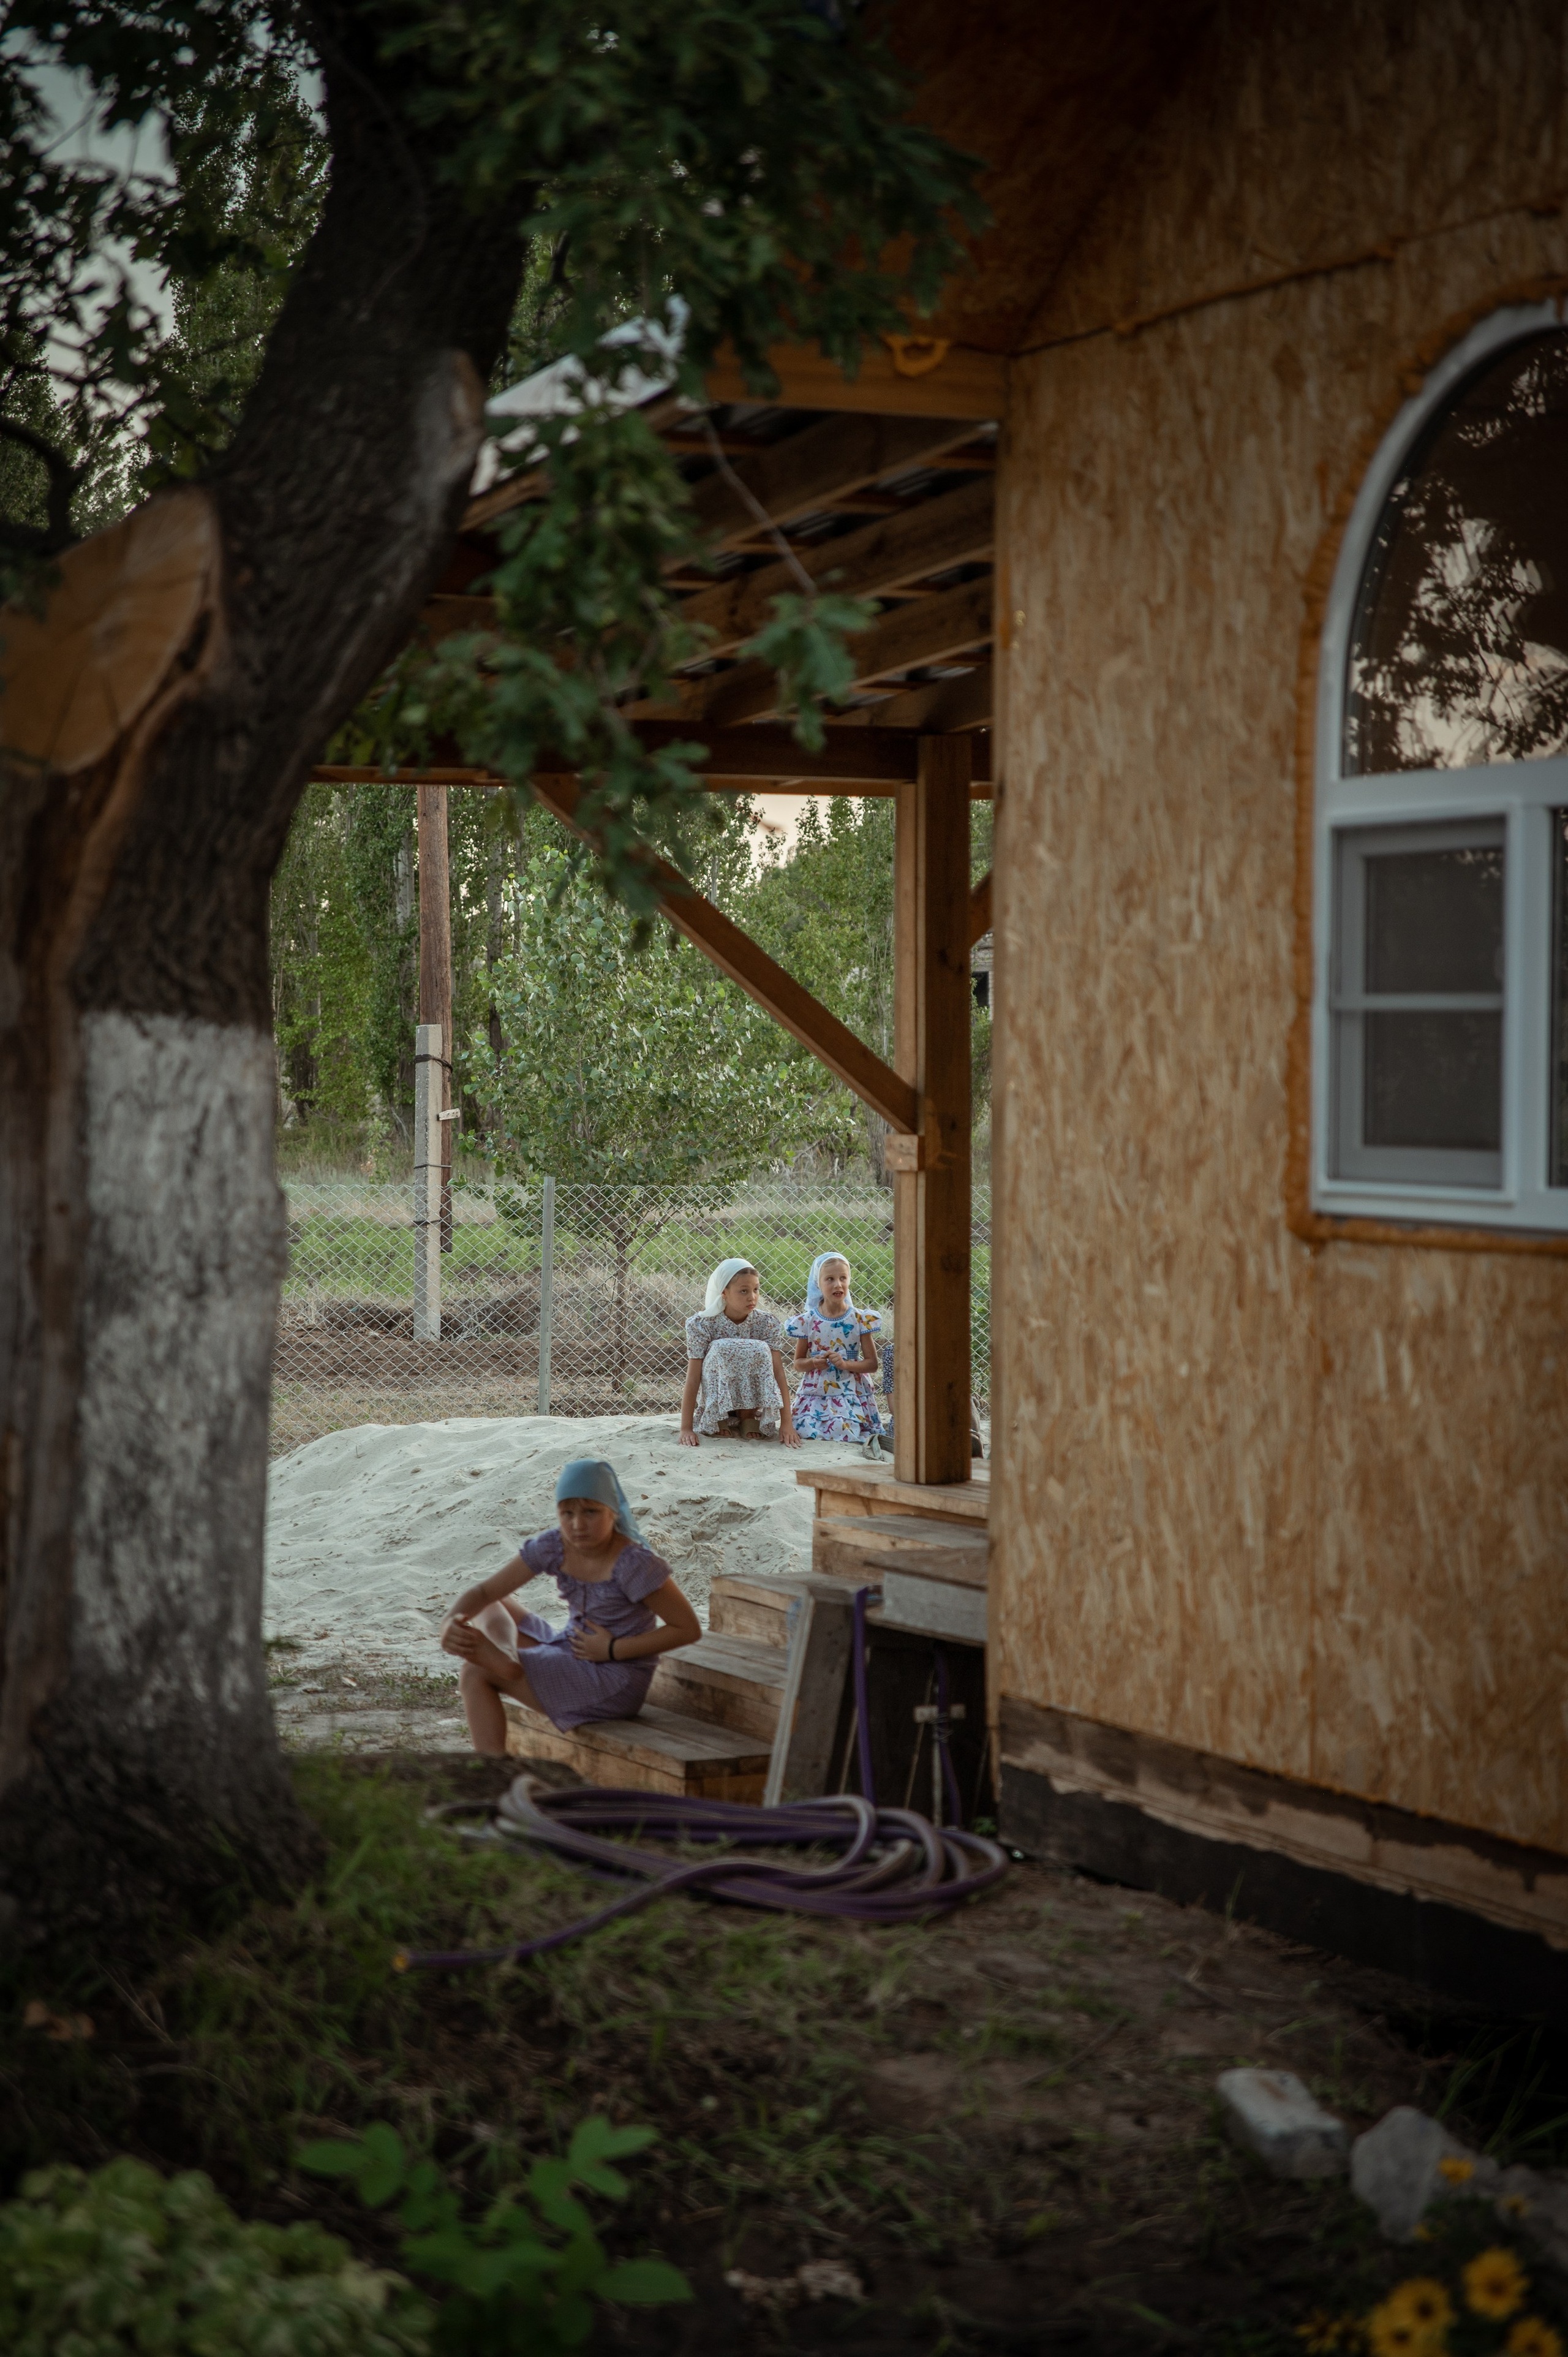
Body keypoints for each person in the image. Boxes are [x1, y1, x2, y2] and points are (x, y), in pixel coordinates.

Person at [440, 1458, 699, 1754]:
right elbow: (485, 1590)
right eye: (567, 1513)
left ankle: (495, 1778)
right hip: (571, 1646)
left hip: (614, 1680)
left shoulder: (633, 1564)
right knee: (489, 1603)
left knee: (474, 1673)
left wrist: (612, 1649)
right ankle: (507, 1655)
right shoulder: (556, 1546)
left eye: (591, 1512)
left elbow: (688, 1629)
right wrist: (449, 1622)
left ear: (613, 1512)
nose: (577, 1525)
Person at [679, 1256, 800, 1448]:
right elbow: (693, 1376)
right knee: (721, 1348)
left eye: (756, 1290)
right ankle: (719, 1415)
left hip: (752, 1406)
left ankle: (748, 1416)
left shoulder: (766, 1324)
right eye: (743, 1291)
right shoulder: (702, 1325)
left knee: (760, 1348)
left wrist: (787, 1423)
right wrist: (686, 1428)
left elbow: (778, 1372)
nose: (752, 1297)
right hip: (716, 1401)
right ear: (724, 1293)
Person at [786, 1252, 883, 1443]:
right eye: (830, 1279)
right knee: (805, 1429)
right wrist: (813, 1362)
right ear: (818, 1284)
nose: (838, 1285)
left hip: (850, 1391)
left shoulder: (859, 1319)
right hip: (816, 1392)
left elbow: (872, 1364)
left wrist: (846, 1365)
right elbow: (798, 1363)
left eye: (843, 1278)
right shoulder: (807, 1321)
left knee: (845, 1428)